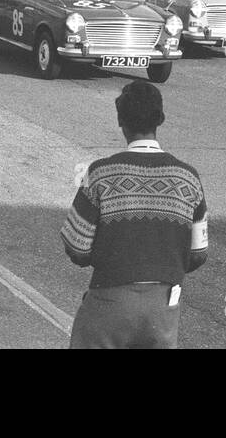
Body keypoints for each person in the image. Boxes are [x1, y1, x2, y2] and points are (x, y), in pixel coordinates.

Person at [62, 80, 208, 349]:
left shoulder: (99, 174)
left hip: (109, 300)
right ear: (160, 119)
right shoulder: (188, 177)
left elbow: (77, 247)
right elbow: (198, 253)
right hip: (163, 306)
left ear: (120, 120)